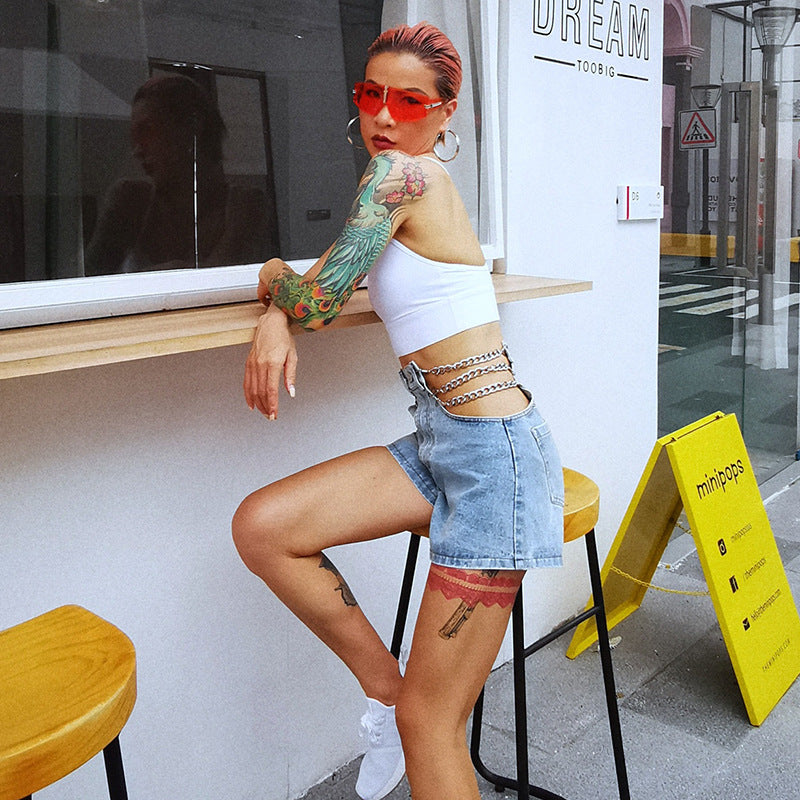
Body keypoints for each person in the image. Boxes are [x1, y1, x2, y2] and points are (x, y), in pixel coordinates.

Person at [232, 22, 564, 800]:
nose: (384, 115)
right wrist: (279, 313)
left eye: (409, 101)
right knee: (265, 527)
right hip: (443, 442)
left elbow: (312, 296)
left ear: (446, 114)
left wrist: (272, 277)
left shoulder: (405, 177)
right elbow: (322, 287)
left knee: (432, 725)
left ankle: (405, 710)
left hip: (497, 461)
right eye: (371, 94)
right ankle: (386, 692)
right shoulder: (391, 185)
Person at [85, 73, 276, 275]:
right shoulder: (132, 200)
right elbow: (88, 281)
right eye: (134, 135)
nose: (137, 149)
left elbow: (222, 280)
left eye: (148, 130)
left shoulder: (244, 206)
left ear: (191, 126)